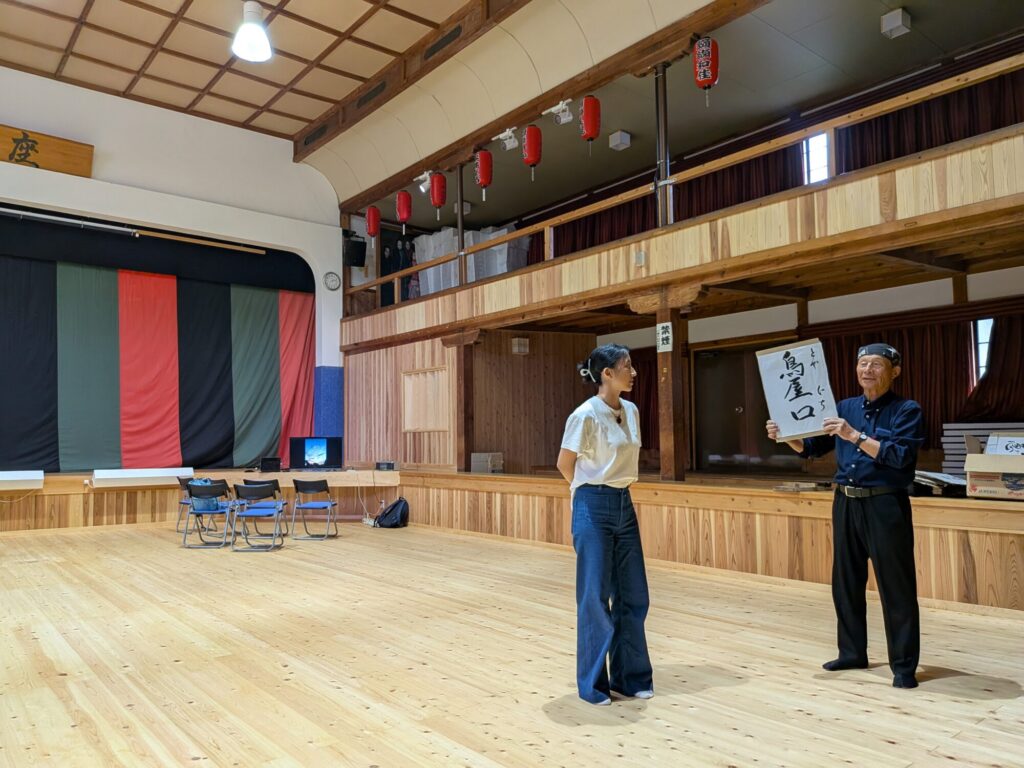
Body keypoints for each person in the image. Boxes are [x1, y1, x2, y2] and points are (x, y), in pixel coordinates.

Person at [766, 343, 924, 688]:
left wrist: (853, 434)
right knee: (846, 581)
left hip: (885, 504)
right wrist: (785, 437)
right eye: (862, 364)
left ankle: (904, 666)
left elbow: (898, 457)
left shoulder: (906, 410)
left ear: (894, 372)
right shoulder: (844, 407)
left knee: (895, 586)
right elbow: (812, 449)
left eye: (876, 365)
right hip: (846, 502)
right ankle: (852, 652)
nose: (867, 370)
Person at [557, 344, 654, 705]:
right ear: (607, 374)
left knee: (633, 593)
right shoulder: (584, 415)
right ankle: (593, 684)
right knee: (595, 596)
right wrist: (587, 491)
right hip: (592, 503)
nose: (634, 372)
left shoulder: (631, 410)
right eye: (627, 367)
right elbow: (565, 463)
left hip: (623, 502)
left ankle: (631, 678)